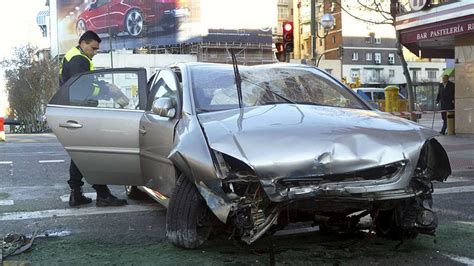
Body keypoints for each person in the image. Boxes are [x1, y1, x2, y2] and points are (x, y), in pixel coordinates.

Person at [60, 31, 127, 207]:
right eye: (93, 48)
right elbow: (84, 88)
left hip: (76, 111)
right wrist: (108, 91)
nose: (95, 52)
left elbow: (87, 83)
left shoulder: (77, 56)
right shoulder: (78, 60)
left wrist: (104, 86)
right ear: (83, 43)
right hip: (80, 111)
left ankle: (77, 194)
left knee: (81, 153)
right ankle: (102, 194)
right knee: (90, 153)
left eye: (97, 49)